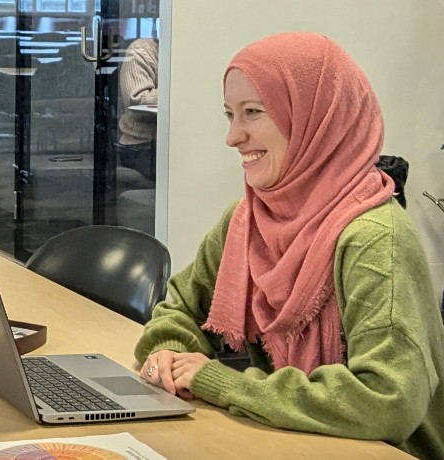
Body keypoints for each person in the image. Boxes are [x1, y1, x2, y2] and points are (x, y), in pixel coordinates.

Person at [134, 32, 443, 459]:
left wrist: (226, 383)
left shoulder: (376, 238)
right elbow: (182, 309)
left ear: (316, 119)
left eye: (253, 113)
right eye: (229, 115)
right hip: (287, 441)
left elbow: (388, 400)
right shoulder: (248, 219)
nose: (232, 137)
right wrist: (170, 350)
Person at [116, 37, 158, 181]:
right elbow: (137, 101)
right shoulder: (141, 49)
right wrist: (182, 89)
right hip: (141, 145)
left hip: (177, 139)